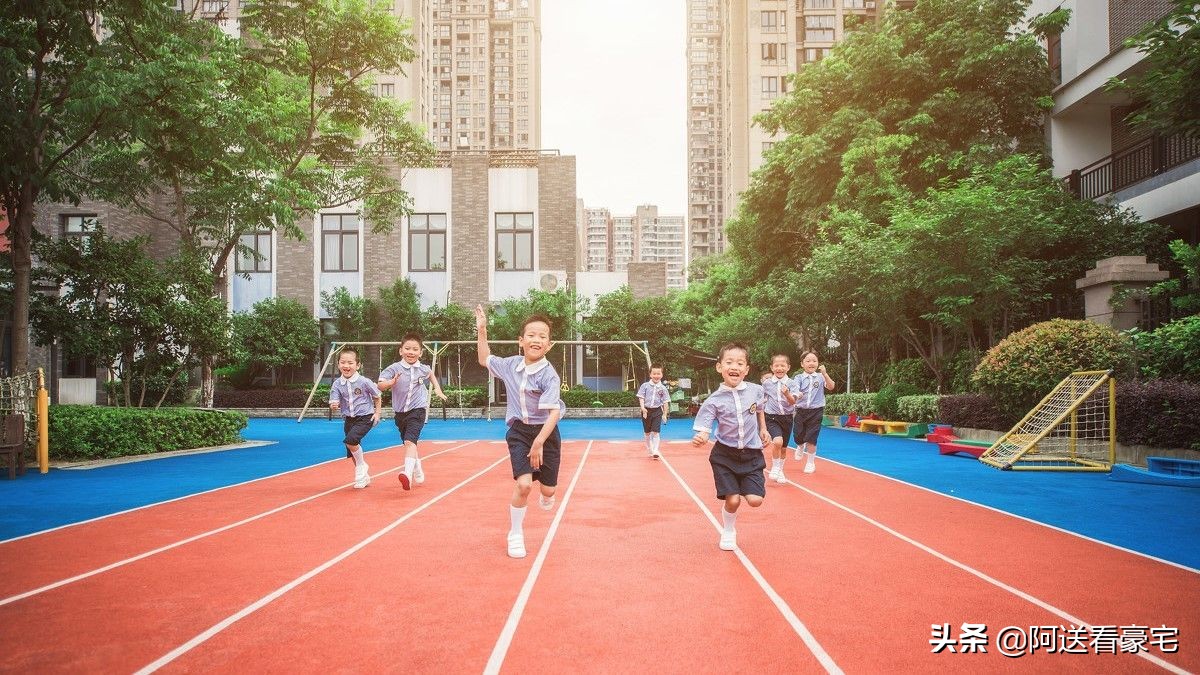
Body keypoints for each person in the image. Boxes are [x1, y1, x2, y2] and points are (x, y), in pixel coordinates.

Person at [475, 304, 566, 559]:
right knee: (524, 485)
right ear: (521, 340)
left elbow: (554, 413)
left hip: (546, 434)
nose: (536, 339)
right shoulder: (510, 365)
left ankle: (547, 494)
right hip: (518, 431)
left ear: (549, 344)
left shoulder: (549, 376)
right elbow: (484, 359)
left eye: (542, 336)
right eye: (531, 335)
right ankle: (515, 533)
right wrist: (482, 330)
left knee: (548, 491)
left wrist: (539, 442)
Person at [692, 343, 770, 551]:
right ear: (719, 367)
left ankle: (745, 485)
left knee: (755, 501)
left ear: (746, 369)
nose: (734, 366)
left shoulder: (756, 390)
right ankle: (728, 530)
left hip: (752, 454)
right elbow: (705, 426)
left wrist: (764, 429)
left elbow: (760, 409)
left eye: (739, 363)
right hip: (725, 455)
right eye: (729, 362)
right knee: (733, 500)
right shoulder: (713, 400)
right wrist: (701, 436)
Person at [378, 333, 448, 490]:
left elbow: (430, 374)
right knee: (409, 443)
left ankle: (407, 474)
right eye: (407, 348)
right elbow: (380, 385)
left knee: (410, 442)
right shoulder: (393, 368)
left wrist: (437, 389)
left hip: (418, 410)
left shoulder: (423, 368)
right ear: (401, 350)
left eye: (415, 349)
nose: (411, 352)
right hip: (400, 413)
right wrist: (391, 382)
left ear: (421, 352)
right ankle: (417, 467)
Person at [328, 346, 382, 489]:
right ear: (338, 364)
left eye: (350, 363)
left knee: (351, 441)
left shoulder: (364, 382)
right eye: (343, 362)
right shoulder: (337, 384)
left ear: (358, 365)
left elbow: (377, 396)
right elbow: (334, 400)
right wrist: (334, 405)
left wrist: (377, 413)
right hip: (349, 419)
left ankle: (360, 469)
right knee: (351, 449)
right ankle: (363, 475)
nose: (346, 366)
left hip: (366, 417)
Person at [792, 350, 836, 474]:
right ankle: (800, 445)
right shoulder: (799, 377)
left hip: (816, 411)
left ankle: (810, 462)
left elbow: (831, 386)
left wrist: (825, 374)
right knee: (798, 435)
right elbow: (795, 389)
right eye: (808, 361)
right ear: (802, 364)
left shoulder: (821, 377)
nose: (811, 363)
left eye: (814, 361)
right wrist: (797, 394)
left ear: (818, 363)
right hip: (801, 411)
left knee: (812, 438)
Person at [761, 354, 798, 484]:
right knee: (777, 442)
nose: (779, 368)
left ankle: (780, 470)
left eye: (782, 365)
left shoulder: (792, 384)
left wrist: (787, 393)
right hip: (771, 417)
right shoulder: (767, 384)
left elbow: (793, 401)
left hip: (787, 418)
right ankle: (775, 467)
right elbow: (762, 398)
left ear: (788, 367)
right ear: (772, 367)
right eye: (776, 365)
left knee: (783, 448)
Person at [637, 364, 670, 459]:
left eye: (658, 373)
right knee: (647, 433)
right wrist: (643, 408)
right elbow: (641, 398)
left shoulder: (663, 388)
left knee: (656, 432)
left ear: (662, 375)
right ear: (650, 375)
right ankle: (650, 449)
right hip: (646, 411)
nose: (656, 375)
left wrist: (664, 414)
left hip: (657, 411)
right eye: (654, 373)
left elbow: (665, 402)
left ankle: (656, 450)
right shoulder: (645, 386)